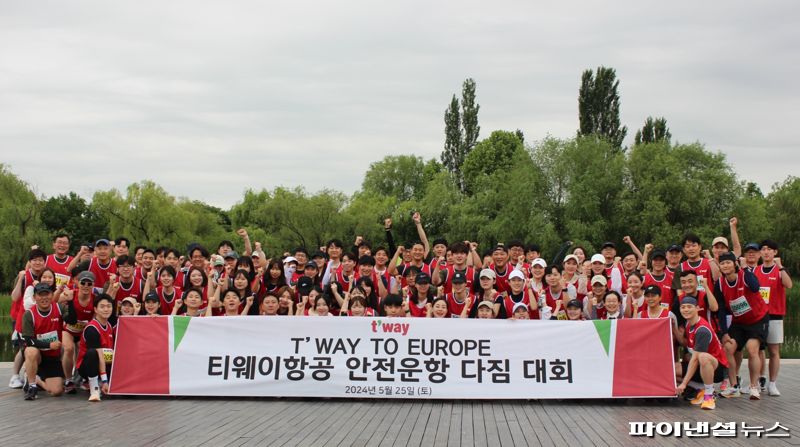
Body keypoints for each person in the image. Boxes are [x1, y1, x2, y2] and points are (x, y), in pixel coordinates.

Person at [715, 252, 769, 399]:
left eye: (728, 263)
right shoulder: (719, 283)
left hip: (757, 319)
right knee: (727, 347)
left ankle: (753, 386)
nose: (725, 265)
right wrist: (724, 332)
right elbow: (720, 309)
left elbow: (755, 287)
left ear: (735, 264)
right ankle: (734, 386)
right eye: (722, 263)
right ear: (719, 266)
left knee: (752, 350)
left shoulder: (745, 275)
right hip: (739, 322)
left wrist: (745, 268)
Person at [21, 283, 76, 400]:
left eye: (47, 294)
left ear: (52, 295)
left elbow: (72, 320)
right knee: (30, 351)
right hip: (37, 355)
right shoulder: (29, 314)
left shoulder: (58, 308)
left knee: (57, 391)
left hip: (52, 357)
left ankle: (37, 380)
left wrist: (71, 301)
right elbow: (28, 341)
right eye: (40, 295)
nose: (44, 298)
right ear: (35, 297)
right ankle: (31, 386)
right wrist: (49, 345)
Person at [676, 296, 729, 411]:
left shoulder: (702, 330)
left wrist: (684, 383)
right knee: (672, 370)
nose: (686, 310)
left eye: (689, 307)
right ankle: (701, 389)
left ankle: (709, 395)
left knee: (703, 357)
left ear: (698, 308)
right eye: (683, 307)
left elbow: (695, 359)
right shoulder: (688, 324)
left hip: (717, 368)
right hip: (701, 366)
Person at [755, 239, 792, 396]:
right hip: (758, 315)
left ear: (775, 252)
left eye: (770, 249)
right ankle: (757, 381)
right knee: (756, 349)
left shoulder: (779, 270)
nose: (766, 252)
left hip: (775, 314)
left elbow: (789, 284)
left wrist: (781, 266)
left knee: (774, 350)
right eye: (763, 249)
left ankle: (773, 383)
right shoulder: (756, 270)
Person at [76, 293, 116, 402]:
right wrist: (105, 381)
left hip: (105, 363)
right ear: (96, 309)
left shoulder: (109, 326)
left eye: (109, 306)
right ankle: (94, 389)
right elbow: (99, 356)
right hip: (88, 365)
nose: (106, 309)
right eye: (102, 307)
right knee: (93, 353)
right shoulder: (92, 329)